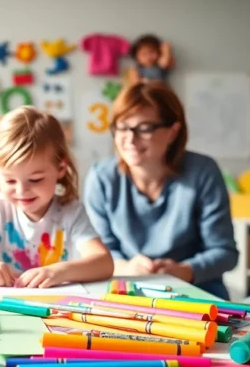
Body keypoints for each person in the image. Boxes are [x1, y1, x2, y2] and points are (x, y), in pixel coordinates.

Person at [83, 81, 238, 300]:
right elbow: (99, 251)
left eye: (144, 128)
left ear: (173, 132)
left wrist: (185, 270)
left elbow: (225, 253)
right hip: (127, 294)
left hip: (197, 295)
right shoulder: (102, 178)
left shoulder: (203, 172)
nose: (129, 139)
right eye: (122, 126)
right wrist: (125, 266)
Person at [0, 106, 114, 288]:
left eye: (35, 179)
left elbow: (104, 263)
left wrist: (58, 272)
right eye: (10, 180)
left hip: (56, 307)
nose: (22, 190)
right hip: (6, 306)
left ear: (61, 169)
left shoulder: (71, 211)